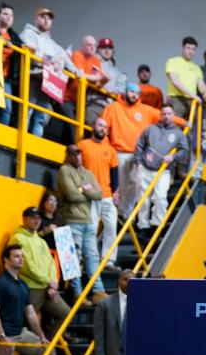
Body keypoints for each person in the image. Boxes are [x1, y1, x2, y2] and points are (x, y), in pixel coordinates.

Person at [101, 83, 162, 218]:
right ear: (126, 92)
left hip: (137, 154)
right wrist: (105, 148)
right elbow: (103, 128)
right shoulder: (113, 108)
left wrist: (184, 122)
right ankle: (117, 213)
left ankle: (124, 212)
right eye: (131, 92)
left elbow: (165, 116)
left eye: (136, 93)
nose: (134, 95)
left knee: (139, 181)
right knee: (120, 187)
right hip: (118, 152)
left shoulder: (145, 110)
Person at [7, 207, 71, 336]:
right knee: (29, 323)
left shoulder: (41, 241)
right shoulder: (18, 238)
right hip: (30, 288)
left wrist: (53, 281)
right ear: (24, 219)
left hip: (47, 288)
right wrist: (49, 281)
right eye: (33, 218)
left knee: (66, 313)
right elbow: (26, 266)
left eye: (39, 218)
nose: (36, 221)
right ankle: (32, 353)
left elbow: (50, 263)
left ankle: (46, 347)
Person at [58, 145, 109, 304]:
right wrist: (84, 190)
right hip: (71, 220)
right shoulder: (64, 170)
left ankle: (98, 292)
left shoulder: (88, 173)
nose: (78, 157)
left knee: (92, 257)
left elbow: (99, 194)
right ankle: (77, 294)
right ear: (69, 155)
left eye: (80, 154)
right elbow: (71, 194)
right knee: (73, 259)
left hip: (88, 221)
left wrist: (80, 191)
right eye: (75, 154)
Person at [19, 7, 77, 137]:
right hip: (32, 78)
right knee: (27, 111)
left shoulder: (52, 43)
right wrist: (52, 60)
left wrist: (75, 71)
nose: (46, 21)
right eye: (43, 17)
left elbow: (64, 60)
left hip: (47, 83)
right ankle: (22, 139)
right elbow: (32, 54)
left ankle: (35, 143)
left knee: (41, 116)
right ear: (35, 19)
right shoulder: (28, 33)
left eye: (49, 18)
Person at [134, 104, 189, 233]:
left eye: (169, 114)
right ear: (160, 115)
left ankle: (157, 226)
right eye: (164, 114)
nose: (166, 116)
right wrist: (139, 164)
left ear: (174, 115)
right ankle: (143, 226)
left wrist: (173, 157)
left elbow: (185, 151)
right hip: (145, 169)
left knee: (160, 198)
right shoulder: (150, 129)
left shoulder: (179, 134)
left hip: (163, 171)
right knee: (143, 199)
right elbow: (139, 146)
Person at [77, 118, 120, 272]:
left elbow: (114, 173)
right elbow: (75, 168)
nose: (102, 128)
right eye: (100, 125)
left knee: (111, 226)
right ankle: (90, 259)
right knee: (92, 228)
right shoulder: (82, 146)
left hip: (107, 194)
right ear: (93, 126)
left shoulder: (111, 150)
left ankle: (108, 260)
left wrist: (116, 191)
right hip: (90, 195)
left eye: (105, 126)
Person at [62, 35, 109, 143]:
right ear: (83, 46)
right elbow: (80, 75)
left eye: (94, 45)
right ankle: (74, 148)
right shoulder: (78, 55)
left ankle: (71, 147)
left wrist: (105, 80)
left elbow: (98, 83)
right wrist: (99, 77)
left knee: (82, 124)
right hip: (66, 98)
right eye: (89, 45)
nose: (92, 48)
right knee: (71, 122)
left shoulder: (96, 61)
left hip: (81, 101)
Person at [0, 3, 23, 126]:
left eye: (12, 15)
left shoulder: (13, 36)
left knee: (7, 108)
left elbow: (22, 47)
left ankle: (1, 134)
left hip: (5, 77)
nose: (9, 17)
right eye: (5, 14)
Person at [165, 36, 206, 119]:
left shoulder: (196, 68)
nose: (190, 52)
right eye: (188, 48)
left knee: (192, 129)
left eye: (193, 49)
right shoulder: (173, 61)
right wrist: (192, 95)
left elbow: (201, 85)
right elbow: (175, 81)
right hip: (177, 100)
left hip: (192, 102)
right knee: (175, 129)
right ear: (182, 48)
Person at [86, 37, 126, 124]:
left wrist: (110, 89)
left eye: (109, 48)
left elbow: (122, 90)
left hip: (110, 108)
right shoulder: (91, 62)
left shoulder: (118, 72)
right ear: (98, 49)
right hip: (92, 105)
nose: (107, 51)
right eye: (104, 48)